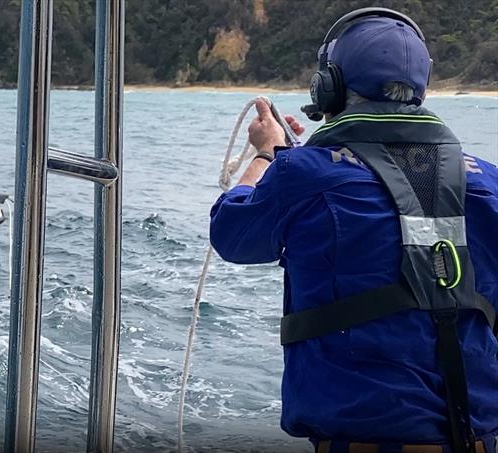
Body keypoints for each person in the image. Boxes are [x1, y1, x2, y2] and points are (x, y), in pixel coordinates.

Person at [209, 7, 498, 453]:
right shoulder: (490, 181)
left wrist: (267, 155)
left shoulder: (299, 173)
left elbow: (233, 233)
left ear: (328, 88)